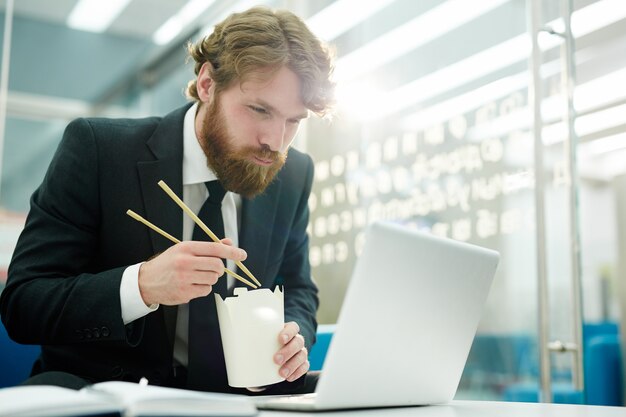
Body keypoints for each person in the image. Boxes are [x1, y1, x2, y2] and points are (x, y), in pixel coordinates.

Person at [0, 6, 334, 394]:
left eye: (294, 121)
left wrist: (293, 336)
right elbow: (23, 303)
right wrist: (141, 286)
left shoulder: (292, 173)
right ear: (207, 83)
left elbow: (296, 287)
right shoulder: (98, 151)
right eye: (260, 110)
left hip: (234, 400)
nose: (275, 142)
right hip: (101, 394)